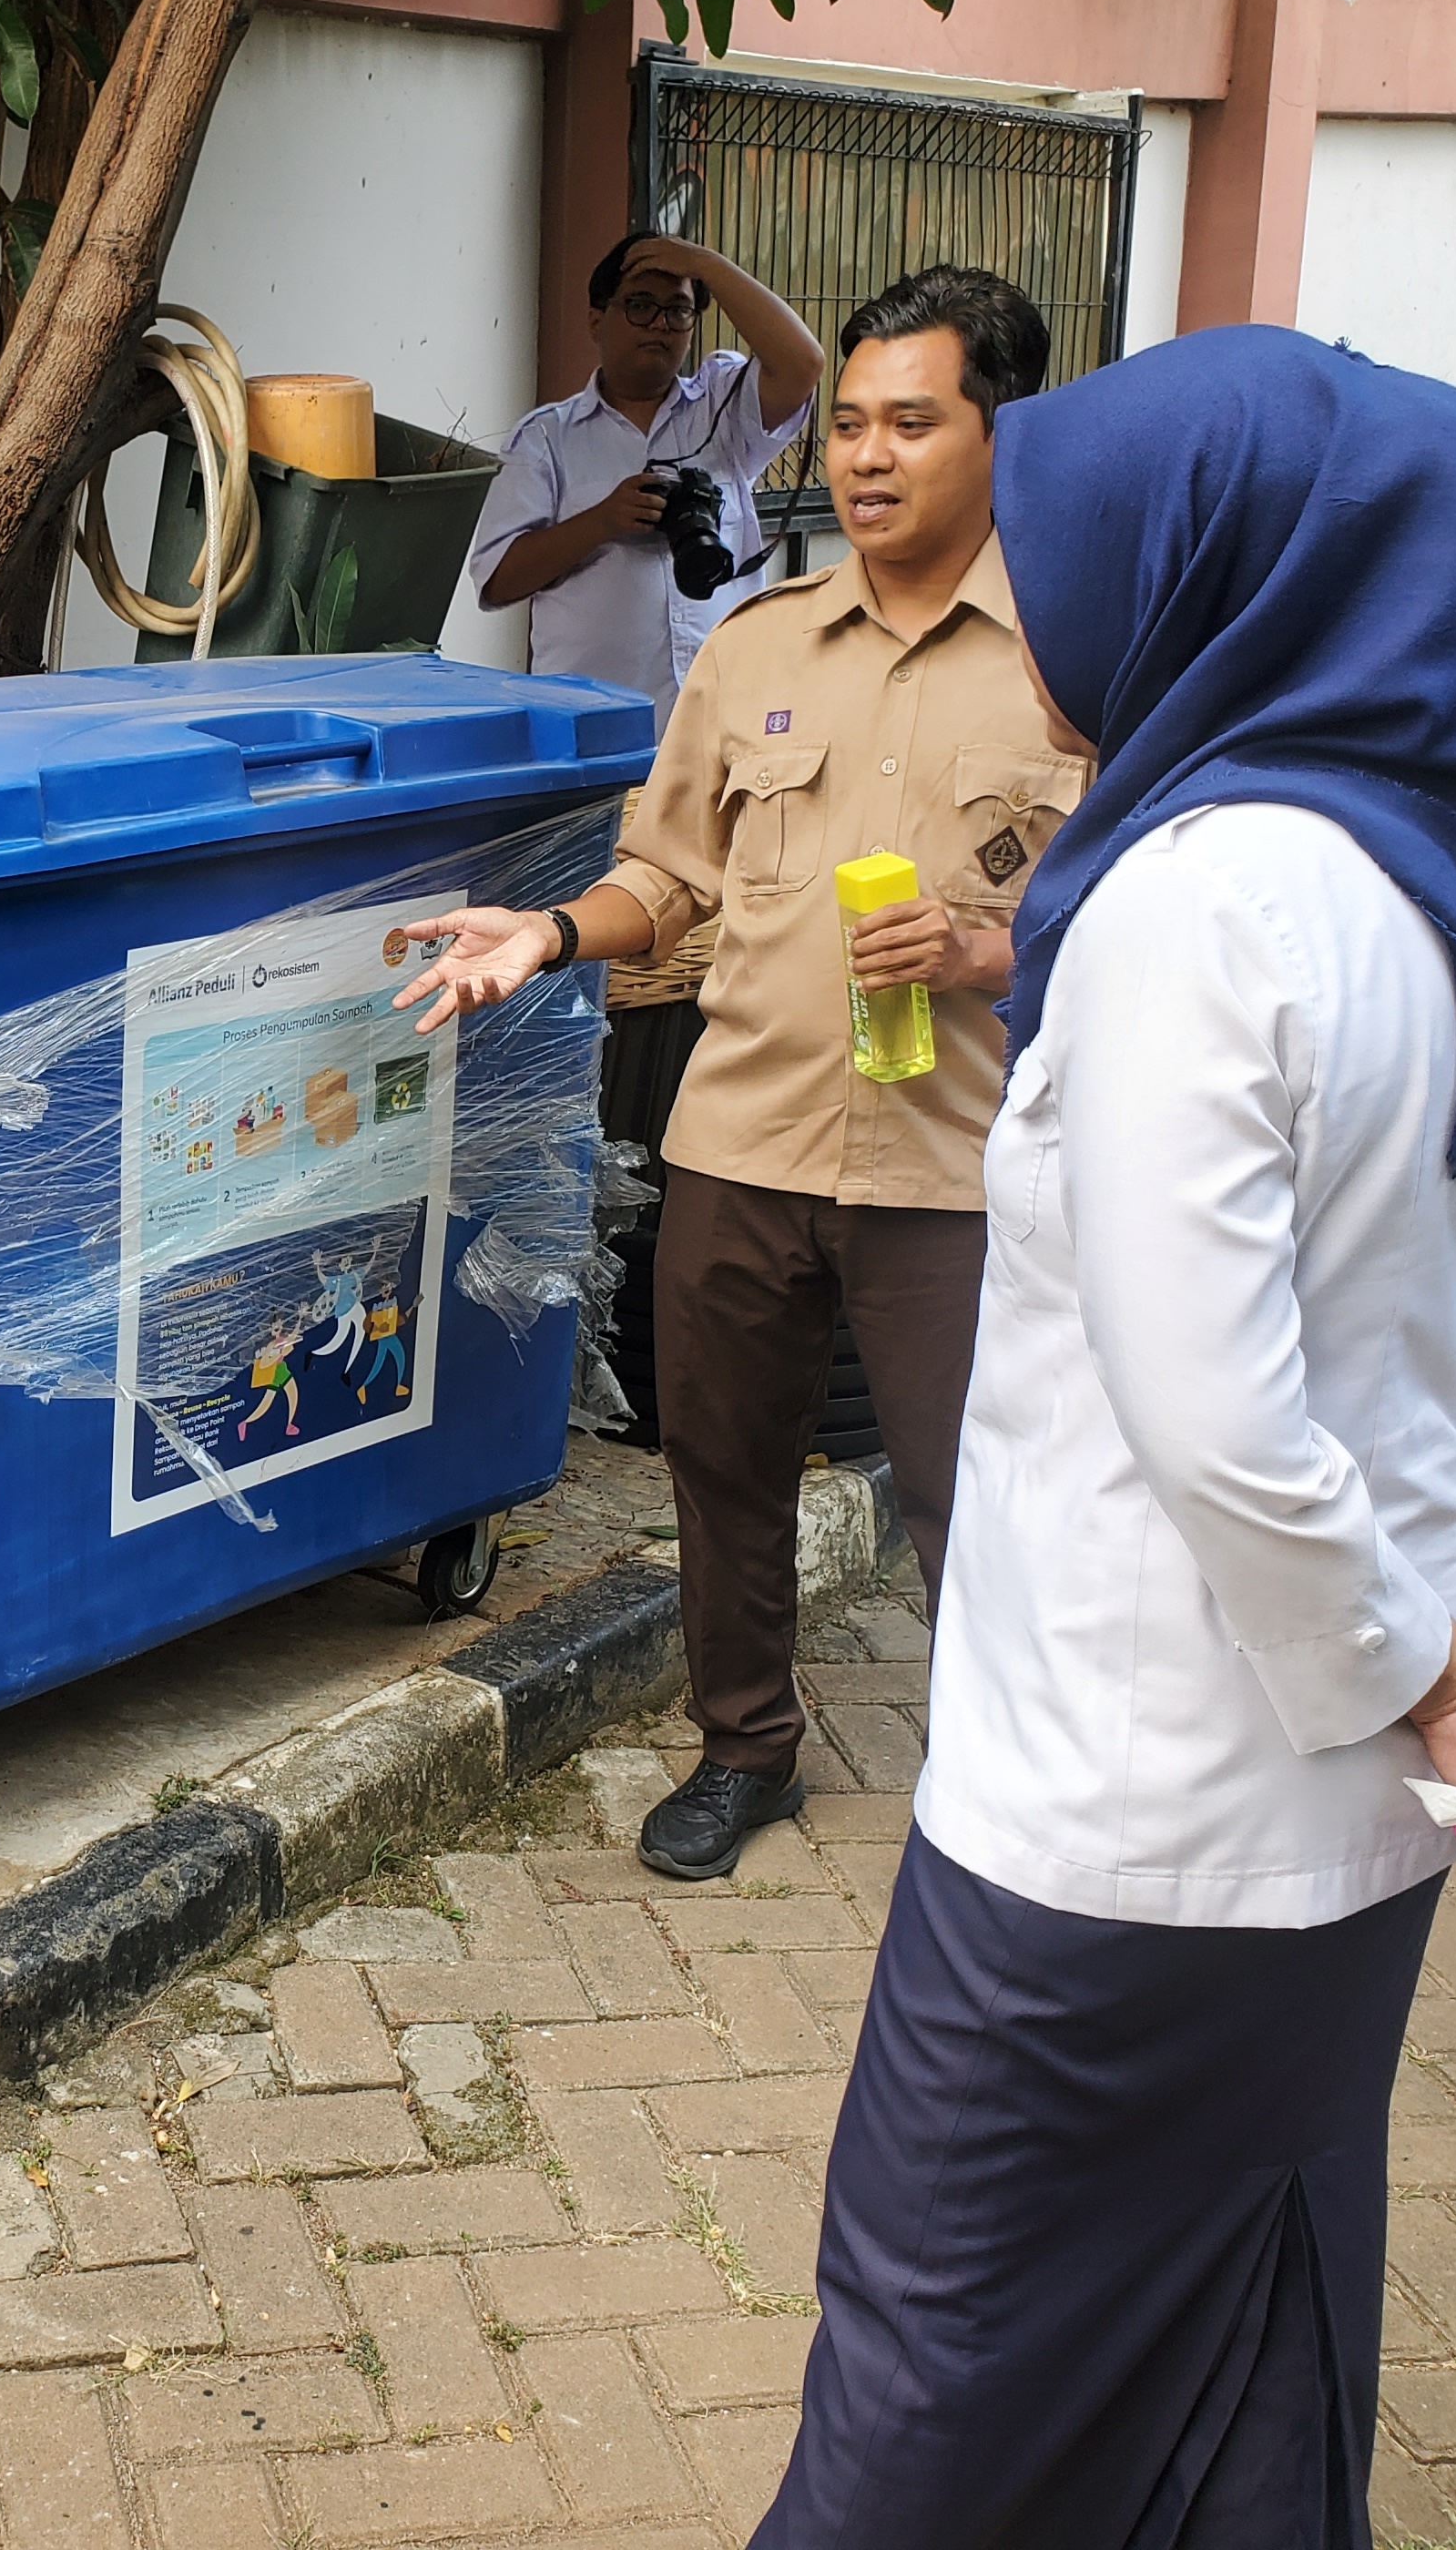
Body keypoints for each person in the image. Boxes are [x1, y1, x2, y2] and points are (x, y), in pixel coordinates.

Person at [754, 326, 1456, 2550]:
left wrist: (1452, 1687)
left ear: (1216, 582)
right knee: (1247, 2311)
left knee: (939, 2365)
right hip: (1357, 1833)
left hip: (1115, 1821)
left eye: (1062, 577)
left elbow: (1213, 1409)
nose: (1038, 637)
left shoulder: (1193, 900)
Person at [400, 267, 1084, 1882]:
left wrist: (986, 952)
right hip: (741, 1138)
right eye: (847, 424)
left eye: (911, 422)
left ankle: (1011, 1796)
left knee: (979, 1492)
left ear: (1003, 433)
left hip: (959, 1164)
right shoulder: (758, 643)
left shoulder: (1080, 663)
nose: (866, 456)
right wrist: (551, 931)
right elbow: (671, 877)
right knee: (721, 1466)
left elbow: (1140, 917)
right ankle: (745, 1747)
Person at [467, 232, 826, 727]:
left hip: (723, 719)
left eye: (678, 311)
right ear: (597, 321)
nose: (660, 324)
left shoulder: (722, 406)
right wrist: (601, 522)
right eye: (640, 306)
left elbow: (804, 362)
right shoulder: (546, 438)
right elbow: (497, 582)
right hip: (594, 729)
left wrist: (706, 264)